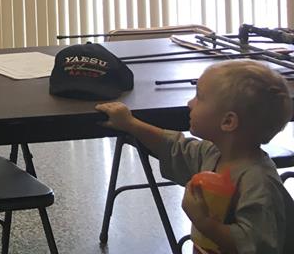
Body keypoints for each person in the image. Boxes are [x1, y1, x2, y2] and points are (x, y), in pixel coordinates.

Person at [96, 60, 294, 253]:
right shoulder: (214, 153)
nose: (190, 103)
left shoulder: (258, 184)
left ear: (228, 122)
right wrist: (130, 124)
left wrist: (204, 222)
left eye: (199, 97)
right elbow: (172, 146)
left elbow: (254, 245)